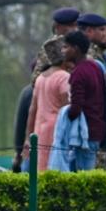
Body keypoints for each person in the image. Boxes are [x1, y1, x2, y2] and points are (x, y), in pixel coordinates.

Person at [25, 37, 72, 171]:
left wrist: (28, 136)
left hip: (39, 129)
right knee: (56, 168)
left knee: (41, 168)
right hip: (56, 129)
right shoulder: (64, 77)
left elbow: (32, 109)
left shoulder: (41, 77)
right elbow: (67, 107)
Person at [63, 29, 106, 169]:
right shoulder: (95, 67)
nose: (64, 51)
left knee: (84, 177)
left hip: (85, 134)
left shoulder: (78, 73)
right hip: (97, 129)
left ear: (75, 49)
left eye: (67, 47)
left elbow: (76, 108)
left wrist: (63, 117)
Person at [32, 7, 80, 83]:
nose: (75, 29)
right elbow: (36, 78)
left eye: (76, 25)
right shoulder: (50, 47)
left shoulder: (82, 43)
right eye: (70, 25)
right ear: (58, 27)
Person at [12, 81, 34, 172]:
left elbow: (20, 125)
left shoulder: (28, 91)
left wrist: (18, 153)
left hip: (30, 147)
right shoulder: (29, 92)